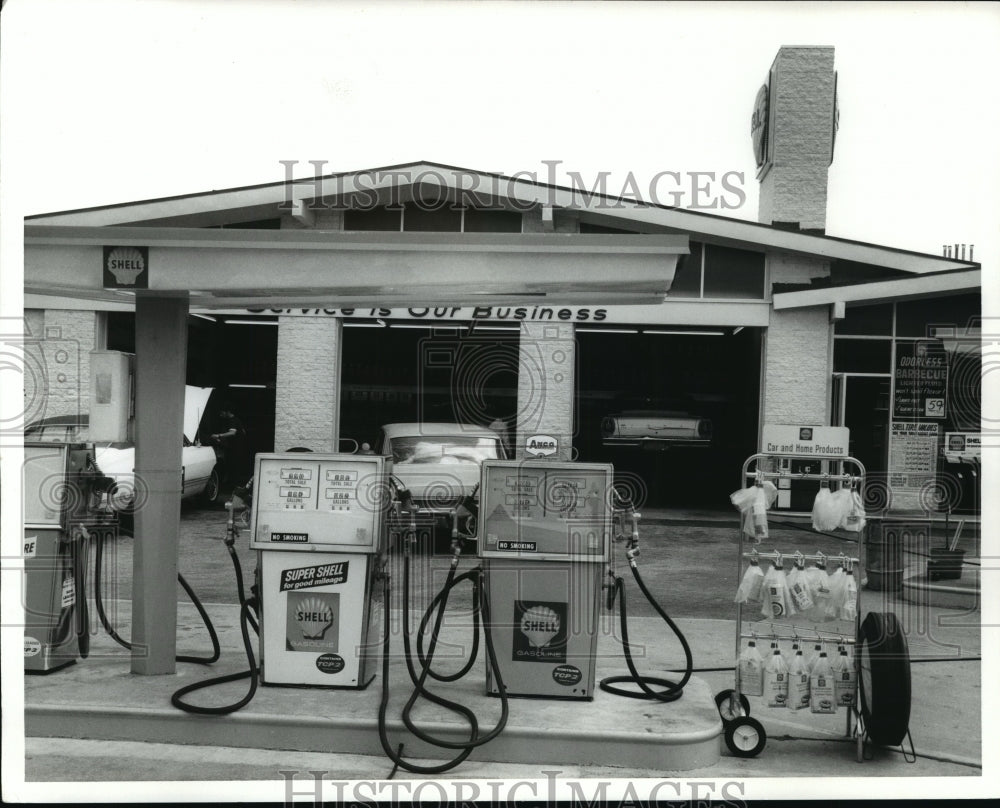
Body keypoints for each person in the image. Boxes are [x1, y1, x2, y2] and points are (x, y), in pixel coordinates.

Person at [209, 403, 249, 484]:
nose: (220, 415)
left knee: (233, 467)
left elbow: (232, 433)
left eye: (222, 412)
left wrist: (218, 436)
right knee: (235, 467)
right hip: (238, 448)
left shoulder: (232, 420)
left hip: (236, 449)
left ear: (227, 412)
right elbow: (243, 432)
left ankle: (233, 486)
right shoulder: (236, 420)